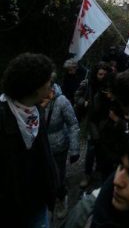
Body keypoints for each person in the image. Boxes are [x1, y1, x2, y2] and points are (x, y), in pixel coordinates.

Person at [0, 52, 58, 228]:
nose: (52, 89)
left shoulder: (34, 112)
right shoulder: (2, 118)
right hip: (10, 212)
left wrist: (54, 188)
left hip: (37, 206)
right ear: (35, 89)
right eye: (49, 83)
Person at [41, 78, 80, 219]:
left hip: (58, 146)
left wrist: (75, 149)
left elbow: (73, 124)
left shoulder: (62, 101)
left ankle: (61, 199)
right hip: (40, 147)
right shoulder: (33, 100)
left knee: (58, 176)